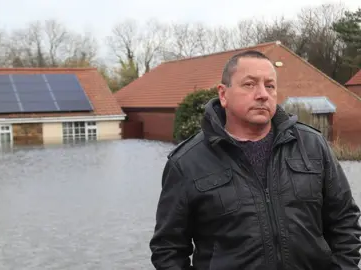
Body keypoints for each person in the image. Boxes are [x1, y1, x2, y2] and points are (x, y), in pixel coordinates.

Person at [149, 50, 361, 270]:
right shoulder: (187, 162)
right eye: (249, 84)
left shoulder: (313, 146)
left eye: (269, 86)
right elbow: (168, 250)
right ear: (223, 94)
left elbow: (345, 221)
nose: (262, 94)